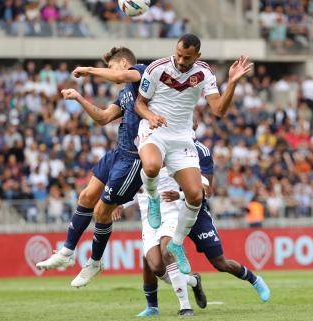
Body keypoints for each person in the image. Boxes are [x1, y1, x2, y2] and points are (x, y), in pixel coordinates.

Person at [135, 33, 253, 274]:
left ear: (197, 56)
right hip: (154, 130)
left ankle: (176, 244)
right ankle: (153, 198)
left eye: (187, 57)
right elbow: (139, 103)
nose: (180, 60)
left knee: (195, 196)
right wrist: (151, 117)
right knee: (151, 167)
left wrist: (232, 82)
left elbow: (218, 110)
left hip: (181, 137)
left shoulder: (204, 73)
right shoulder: (157, 68)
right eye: (178, 54)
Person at [114, 137, 270, 317]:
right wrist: (121, 204)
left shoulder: (197, 151)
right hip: (163, 214)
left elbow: (204, 190)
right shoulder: (154, 149)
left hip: (193, 212)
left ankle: (255, 280)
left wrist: (179, 195)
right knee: (153, 262)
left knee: (219, 262)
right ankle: (159, 303)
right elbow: (141, 188)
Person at [36, 47, 146, 288]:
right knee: (86, 196)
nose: (111, 73)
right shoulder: (125, 93)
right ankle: (66, 253)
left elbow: (119, 76)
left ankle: (95, 262)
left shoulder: (141, 73)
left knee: (101, 212)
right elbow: (104, 117)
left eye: (113, 67)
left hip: (134, 159)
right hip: (117, 153)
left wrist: (87, 70)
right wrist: (79, 98)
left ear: (125, 63)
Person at [114, 167, 207, 317]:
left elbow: (200, 190)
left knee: (167, 251)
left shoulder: (174, 162)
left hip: (171, 215)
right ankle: (193, 281)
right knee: (157, 267)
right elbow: (139, 193)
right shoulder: (137, 166)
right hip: (149, 220)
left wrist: (180, 194)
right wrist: (122, 205)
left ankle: (185, 307)